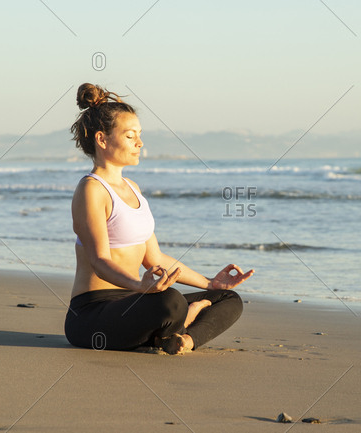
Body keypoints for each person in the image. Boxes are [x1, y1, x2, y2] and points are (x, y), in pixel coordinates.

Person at [64, 83, 254, 354]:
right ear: (102, 139)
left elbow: (155, 259)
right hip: (93, 314)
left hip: (135, 300)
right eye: (130, 136)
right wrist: (140, 286)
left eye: (139, 135)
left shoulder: (133, 189)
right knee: (171, 302)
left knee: (227, 298)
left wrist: (210, 283)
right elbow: (99, 261)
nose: (140, 143)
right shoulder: (91, 189)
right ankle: (181, 321)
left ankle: (183, 340)